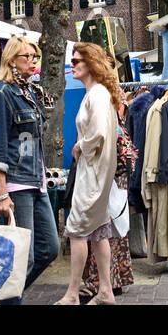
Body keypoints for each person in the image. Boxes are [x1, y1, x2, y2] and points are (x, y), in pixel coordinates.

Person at [0, 36, 59, 306]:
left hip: (35, 181)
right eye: (26, 57)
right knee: (21, 255)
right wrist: (1, 193)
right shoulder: (0, 93)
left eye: (35, 57)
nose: (33, 62)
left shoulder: (28, 92)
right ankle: (7, 300)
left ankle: (2, 296)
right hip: (16, 183)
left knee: (50, 248)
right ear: (11, 61)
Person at [56, 42, 121, 305]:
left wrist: (80, 146)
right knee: (98, 230)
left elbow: (100, 134)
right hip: (96, 172)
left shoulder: (97, 95)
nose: (71, 66)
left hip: (92, 173)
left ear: (90, 64)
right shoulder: (98, 93)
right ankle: (105, 291)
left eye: (76, 61)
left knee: (77, 230)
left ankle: (73, 294)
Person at [79, 94, 137, 302]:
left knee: (101, 232)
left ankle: (100, 282)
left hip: (106, 180)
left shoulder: (106, 116)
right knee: (113, 232)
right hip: (116, 180)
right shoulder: (118, 121)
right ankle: (114, 280)